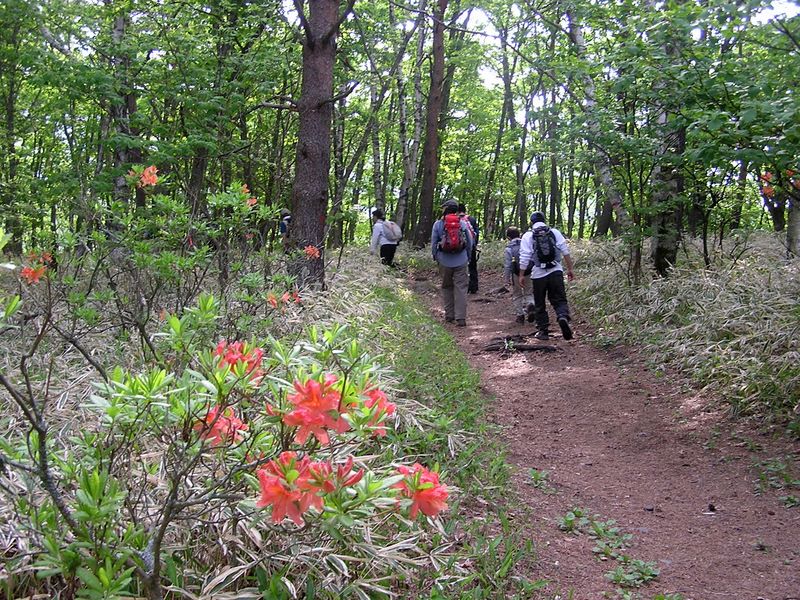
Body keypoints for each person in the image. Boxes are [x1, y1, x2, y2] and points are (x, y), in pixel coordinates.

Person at [518, 211, 575, 340]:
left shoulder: (528, 236)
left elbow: (524, 257)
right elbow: (565, 251)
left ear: (531, 222)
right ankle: (562, 316)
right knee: (560, 299)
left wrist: (521, 275)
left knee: (539, 303)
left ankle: (543, 331)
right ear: (544, 220)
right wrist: (570, 269)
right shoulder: (554, 232)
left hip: (538, 274)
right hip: (556, 271)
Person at [431, 199, 474, 326]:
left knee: (447, 287)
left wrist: (436, 256)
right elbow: (470, 241)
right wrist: (468, 256)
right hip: (461, 260)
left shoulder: (438, 224)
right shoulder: (462, 223)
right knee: (461, 288)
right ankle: (461, 318)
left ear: (445, 209)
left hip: (444, 261)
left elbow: (433, 242)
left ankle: (449, 315)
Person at [503, 226, 535, 324]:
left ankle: (520, 315)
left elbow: (507, 265)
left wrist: (506, 279)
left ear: (508, 237)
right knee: (529, 292)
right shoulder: (526, 244)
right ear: (520, 235)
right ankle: (531, 305)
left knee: (517, 294)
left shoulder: (509, 249)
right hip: (529, 271)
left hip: (516, 273)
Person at [458, 203, 480, 293]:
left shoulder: (456, 220)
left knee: (461, 268)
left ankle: (463, 287)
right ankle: (474, 287)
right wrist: (475, 244)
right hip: (472, 246)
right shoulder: (472, 219)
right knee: (473, 267)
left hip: (460, 248)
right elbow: (476, 233)